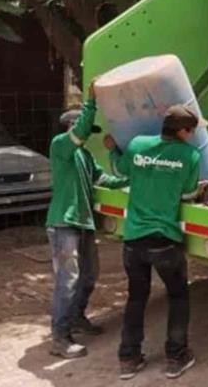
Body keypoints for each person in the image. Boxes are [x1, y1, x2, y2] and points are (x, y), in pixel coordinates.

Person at [109, 105, 204, 380]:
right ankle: (176, 357)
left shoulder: (138, 144)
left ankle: (129, 358)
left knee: (137, 297)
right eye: (192, 131)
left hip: (134, 240)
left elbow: (121, 171)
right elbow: (188, 193)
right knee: (177, 296)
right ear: (183, 131)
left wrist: (114, 149)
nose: (193, 136)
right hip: (165, 241)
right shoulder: (190, 155)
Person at [46, 80, 128, 359]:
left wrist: (133, 177)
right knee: (67, 280)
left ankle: (77, 318)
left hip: (82, 223)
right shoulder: (61, 147)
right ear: (72, 126)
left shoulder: (84, 155)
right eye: (83, 130)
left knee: (89, 276)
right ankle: (59, 337)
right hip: (64, 222)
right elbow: (81, 131)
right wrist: (91, 101)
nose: (87, 136)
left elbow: (103, 179)